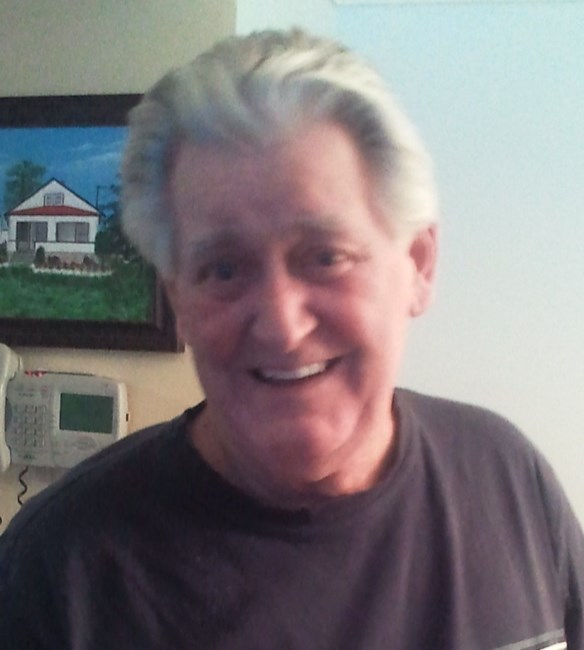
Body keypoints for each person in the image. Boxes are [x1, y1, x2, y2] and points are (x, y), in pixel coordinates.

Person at [1, 28, 582, 650]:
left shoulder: (508, 478)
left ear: (418, 265)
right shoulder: (54, 577)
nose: (281, 324)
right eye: (224, 269)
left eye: (326, 256)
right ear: (180, 300)